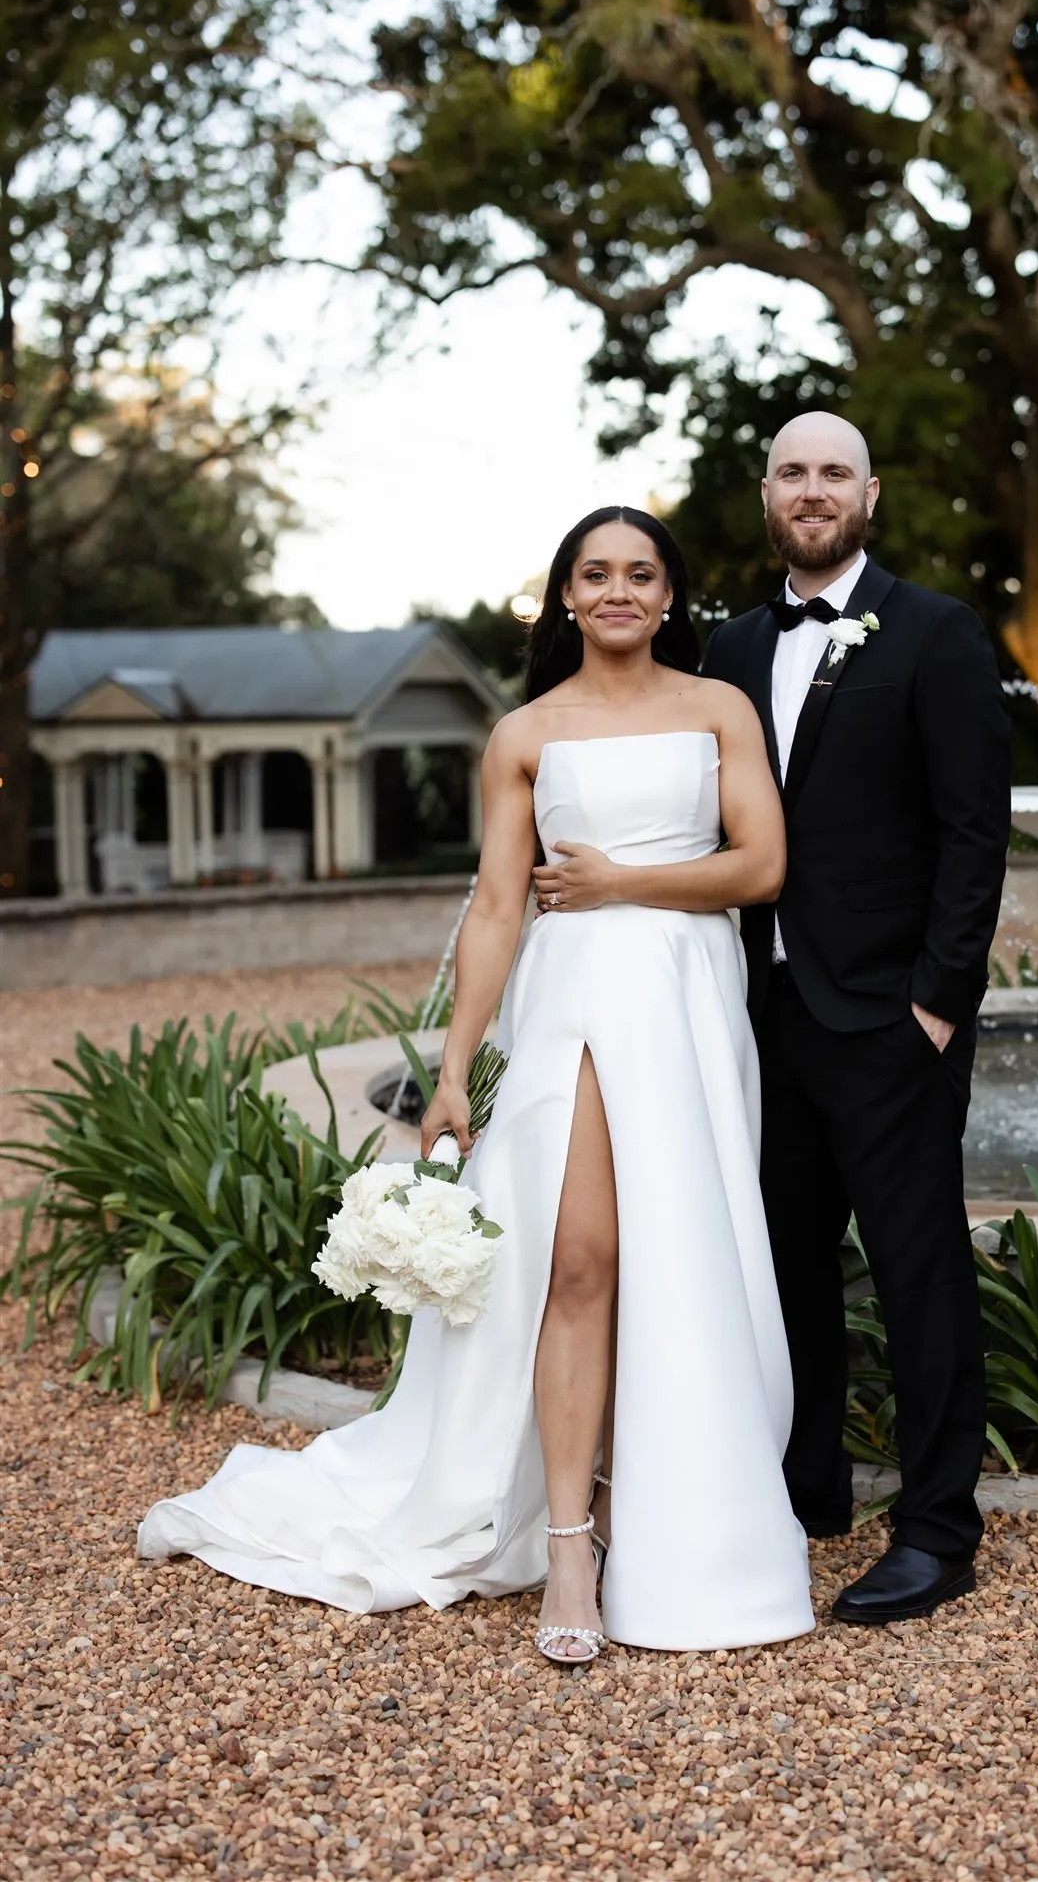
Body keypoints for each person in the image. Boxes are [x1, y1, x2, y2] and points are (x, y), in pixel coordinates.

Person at [139, 508, 815, 1662]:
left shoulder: (716, 709)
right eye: (594, 573)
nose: (616, 590)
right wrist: (453, 1071)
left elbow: (763, 864)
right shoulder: (525, 733)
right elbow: (501, 905)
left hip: (684, 1003)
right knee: (577, 1255)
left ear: (668, 596)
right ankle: (566, 1540)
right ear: (563, 596)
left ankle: (679, 1518)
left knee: (682, 1256)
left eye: (639, 573)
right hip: (569, 1006)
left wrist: (621, 882)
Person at [702, 412, 1012, 1626]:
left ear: (869, 493)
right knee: (782, 1272)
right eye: (793, 470)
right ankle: (806, 1487)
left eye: (835, 471)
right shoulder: (727, 647)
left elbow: (974, 834)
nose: (813, 489)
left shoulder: (935, 632)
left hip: (892, 1020)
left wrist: (936, 1005)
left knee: (921, 1273)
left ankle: (939, 1529)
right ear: (767, 491)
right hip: (762, 1014)